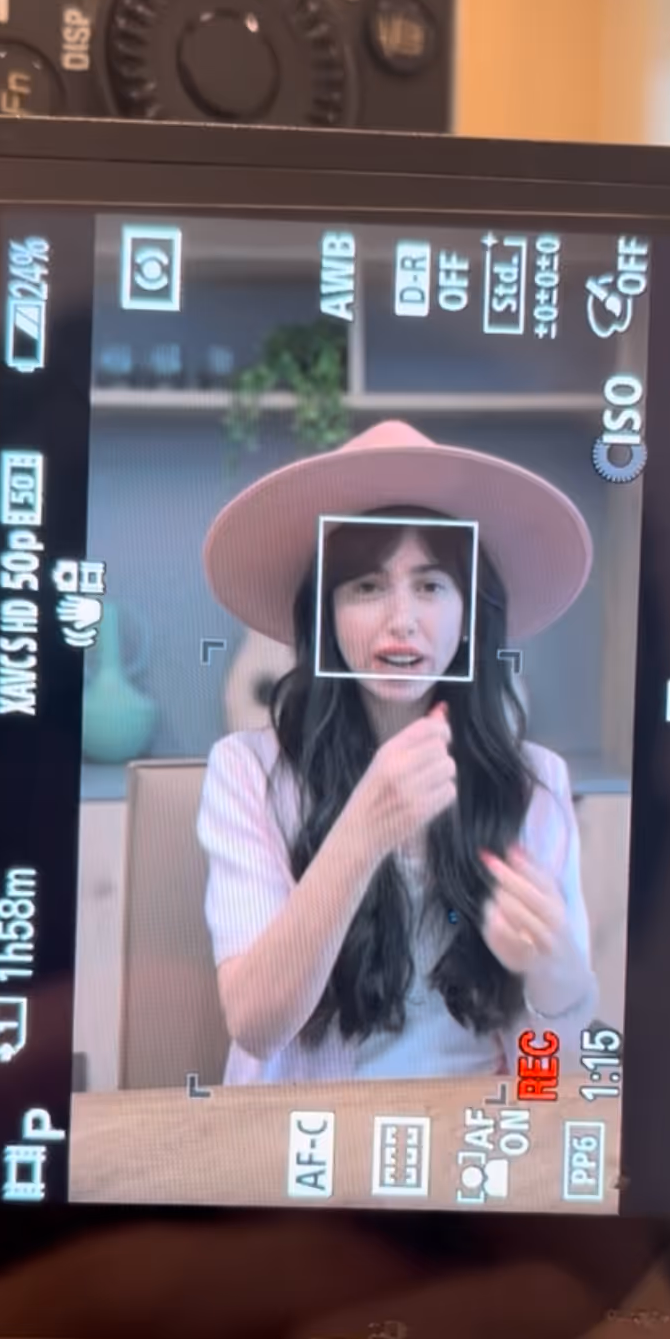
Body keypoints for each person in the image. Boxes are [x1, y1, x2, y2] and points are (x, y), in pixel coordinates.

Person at [197, 419, 599, 1085]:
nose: (401, 620)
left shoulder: (535, 782)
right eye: (367, 586)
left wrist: (562, 985)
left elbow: (554, 1075)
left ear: (469, 615)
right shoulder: (247, 771)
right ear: (326, 615)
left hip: (476, 1133)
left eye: (431, 585)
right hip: (308, 1138)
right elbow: (257, 1026)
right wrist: (363, 831)